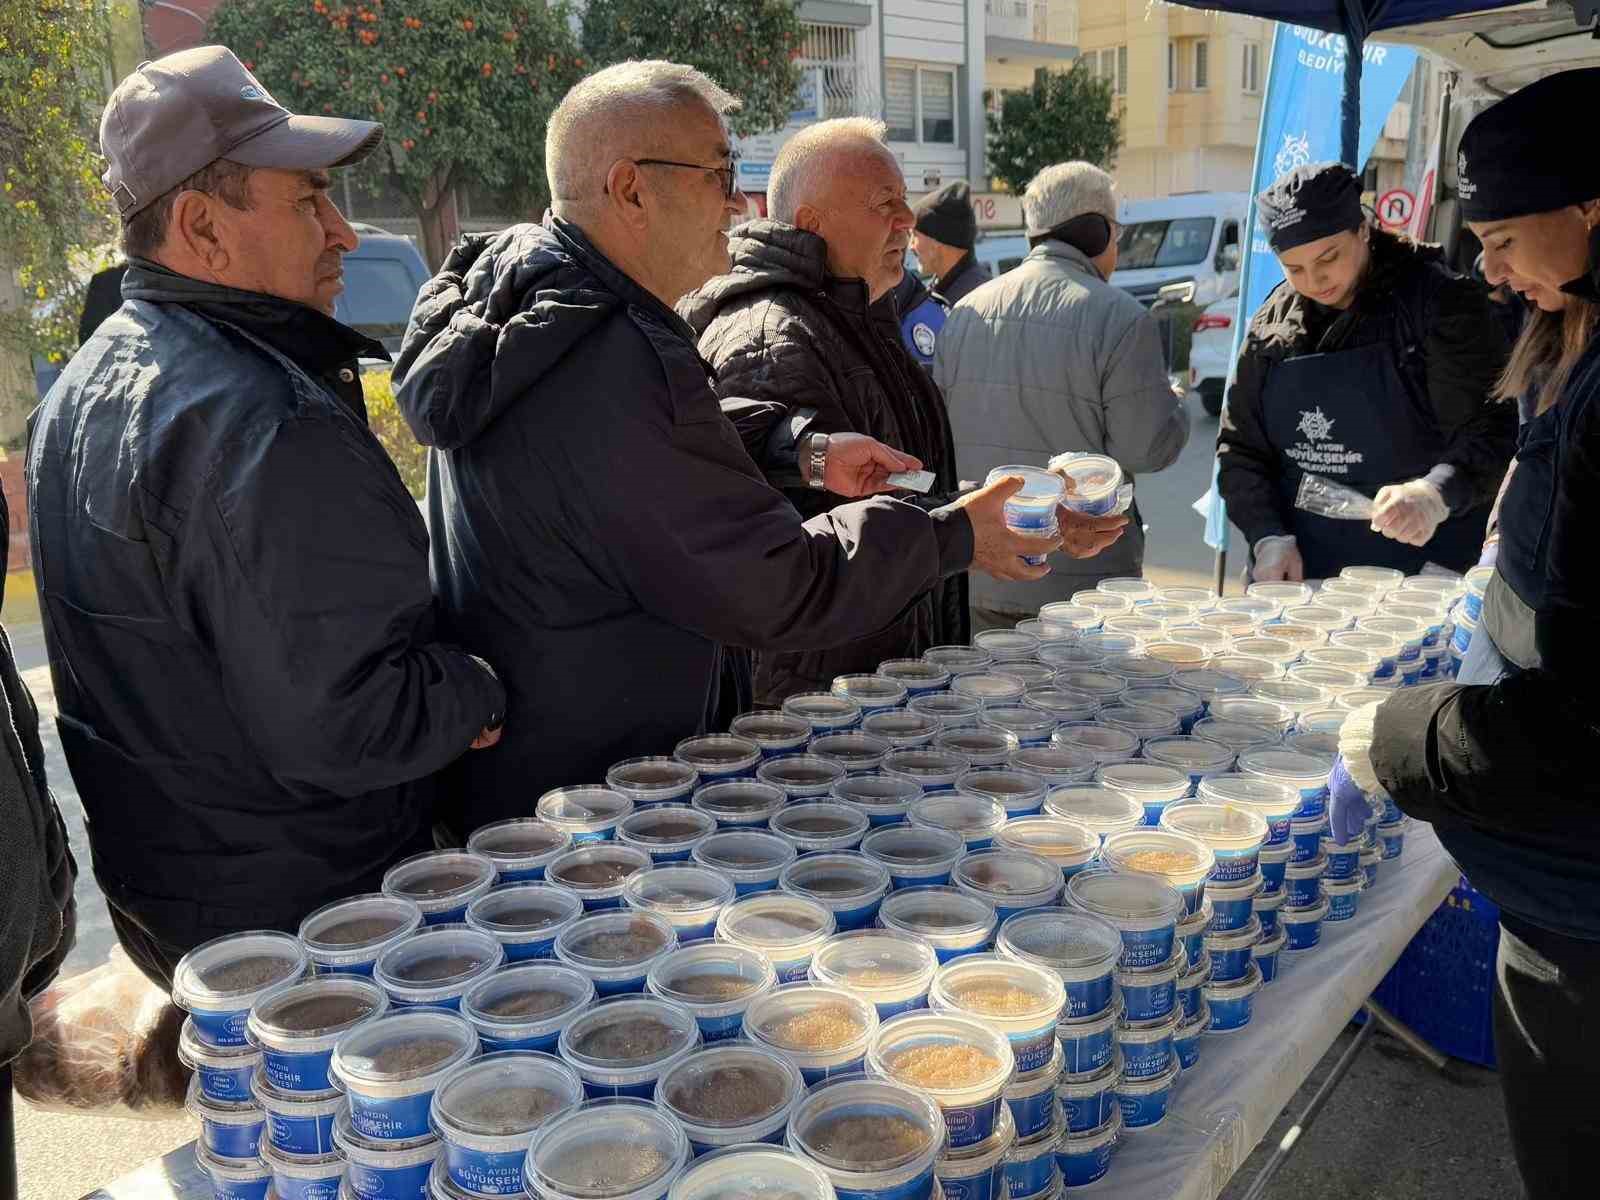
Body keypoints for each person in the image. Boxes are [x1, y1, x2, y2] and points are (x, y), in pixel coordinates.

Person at [393, 62, 1127, 837]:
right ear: (630, 188)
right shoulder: (601, 353)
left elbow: (651, 459)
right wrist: (953, 533)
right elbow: (773, 582)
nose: (738, 202)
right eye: (717, 172)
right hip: (601, 807)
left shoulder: (545, 314)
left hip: (560, 779)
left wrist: (801, 448)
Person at [27, 47, 506, 986]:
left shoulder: (87, 380)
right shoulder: (263, 422)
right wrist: (475, 689)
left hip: (178, 904)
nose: (343, 231)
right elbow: (351, 721)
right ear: (203, 228)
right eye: (307, 201)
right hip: (316, 930)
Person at [1326, 68, 1600, 1200]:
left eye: (1497, 237)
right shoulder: (1566, 332)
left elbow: (1578, 722)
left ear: (1589, 211)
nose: (1485, 268)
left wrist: (1399, 738)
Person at [682, 119, 968, 702]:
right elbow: (795, 557)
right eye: (883, 203)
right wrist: (965, 530)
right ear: (813, 224)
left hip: (878, 687)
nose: (907, 220)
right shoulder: (771, 332)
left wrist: (986, 509)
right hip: (821, 712)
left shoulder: (861, 316)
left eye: (904, 200)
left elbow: (898, 485)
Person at [1217, 161, 1516, 582]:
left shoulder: (1440, 302)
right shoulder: (1272, 325)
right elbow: (1241, 451)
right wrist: (1267, 536)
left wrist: (1435, 492)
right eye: (1294, 268)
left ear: (1362, 229)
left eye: (1328, 257)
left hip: (1424, 573)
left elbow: (1492, 429)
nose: (1316, 279)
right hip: (1305, 573)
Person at [934, 161, 1189, 630]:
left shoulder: (964, 314)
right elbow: (1145, 450)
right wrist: (1175, 405)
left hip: (982, 568)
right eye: (1115, 231)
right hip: (1086, 585)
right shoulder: (1121, 318)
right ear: (1095, 232)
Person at [890, 180, 990, 368]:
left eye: (915, 235)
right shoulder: (939, 292)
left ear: (937, 240)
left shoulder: (978, 301)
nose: (910, 246)